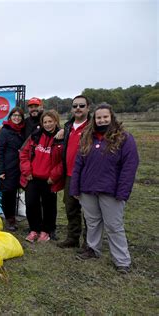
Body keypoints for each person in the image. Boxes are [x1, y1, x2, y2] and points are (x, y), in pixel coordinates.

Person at [71, 103, 139, 274]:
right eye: (99, 117)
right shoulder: (87, 137)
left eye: (105, 117)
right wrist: (75, 188)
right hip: (88, 188)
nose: (102, 120)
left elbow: (129, 167)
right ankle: (93, 249)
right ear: (94, 119)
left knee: (114, 225)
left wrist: (123, 192)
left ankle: (122, 260)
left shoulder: (124, 138)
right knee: (93, 222)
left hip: (111, 191)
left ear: (111, 117)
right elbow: (78, 164)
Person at [20, 110, 64, 242]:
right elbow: (23, 153)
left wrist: (54, 176)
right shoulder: (35, 135)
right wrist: (27, 172)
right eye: (45, 122)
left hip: (50, 180)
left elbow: (64, 161)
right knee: (31, 204)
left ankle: (46, 231)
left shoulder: (61, 138)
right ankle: (34, 229)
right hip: (32, 178)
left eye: (50, 121)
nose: (48, 124)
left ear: (56, 121)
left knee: (49, 206)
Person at [57, 95, 91, 249]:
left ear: (88, 108)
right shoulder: (68, 127)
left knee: (90, 211)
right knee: (71, 207)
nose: (78, 108)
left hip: (87, 174)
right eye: (75, 106)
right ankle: (73, 238)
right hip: (70, 174)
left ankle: (89, 242)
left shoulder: (93, 126)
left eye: (81, 106)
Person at [0, 107, 26, 231]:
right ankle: (10, 219)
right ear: (10, 117)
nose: (17, 117)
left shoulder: (23, 131)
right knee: (8, 195)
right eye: (14, 115)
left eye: (19, 116)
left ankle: (15, 217)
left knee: (15, 193)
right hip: (8, 169)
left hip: (20, 168)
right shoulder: (4, 131)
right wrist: (0, 171)